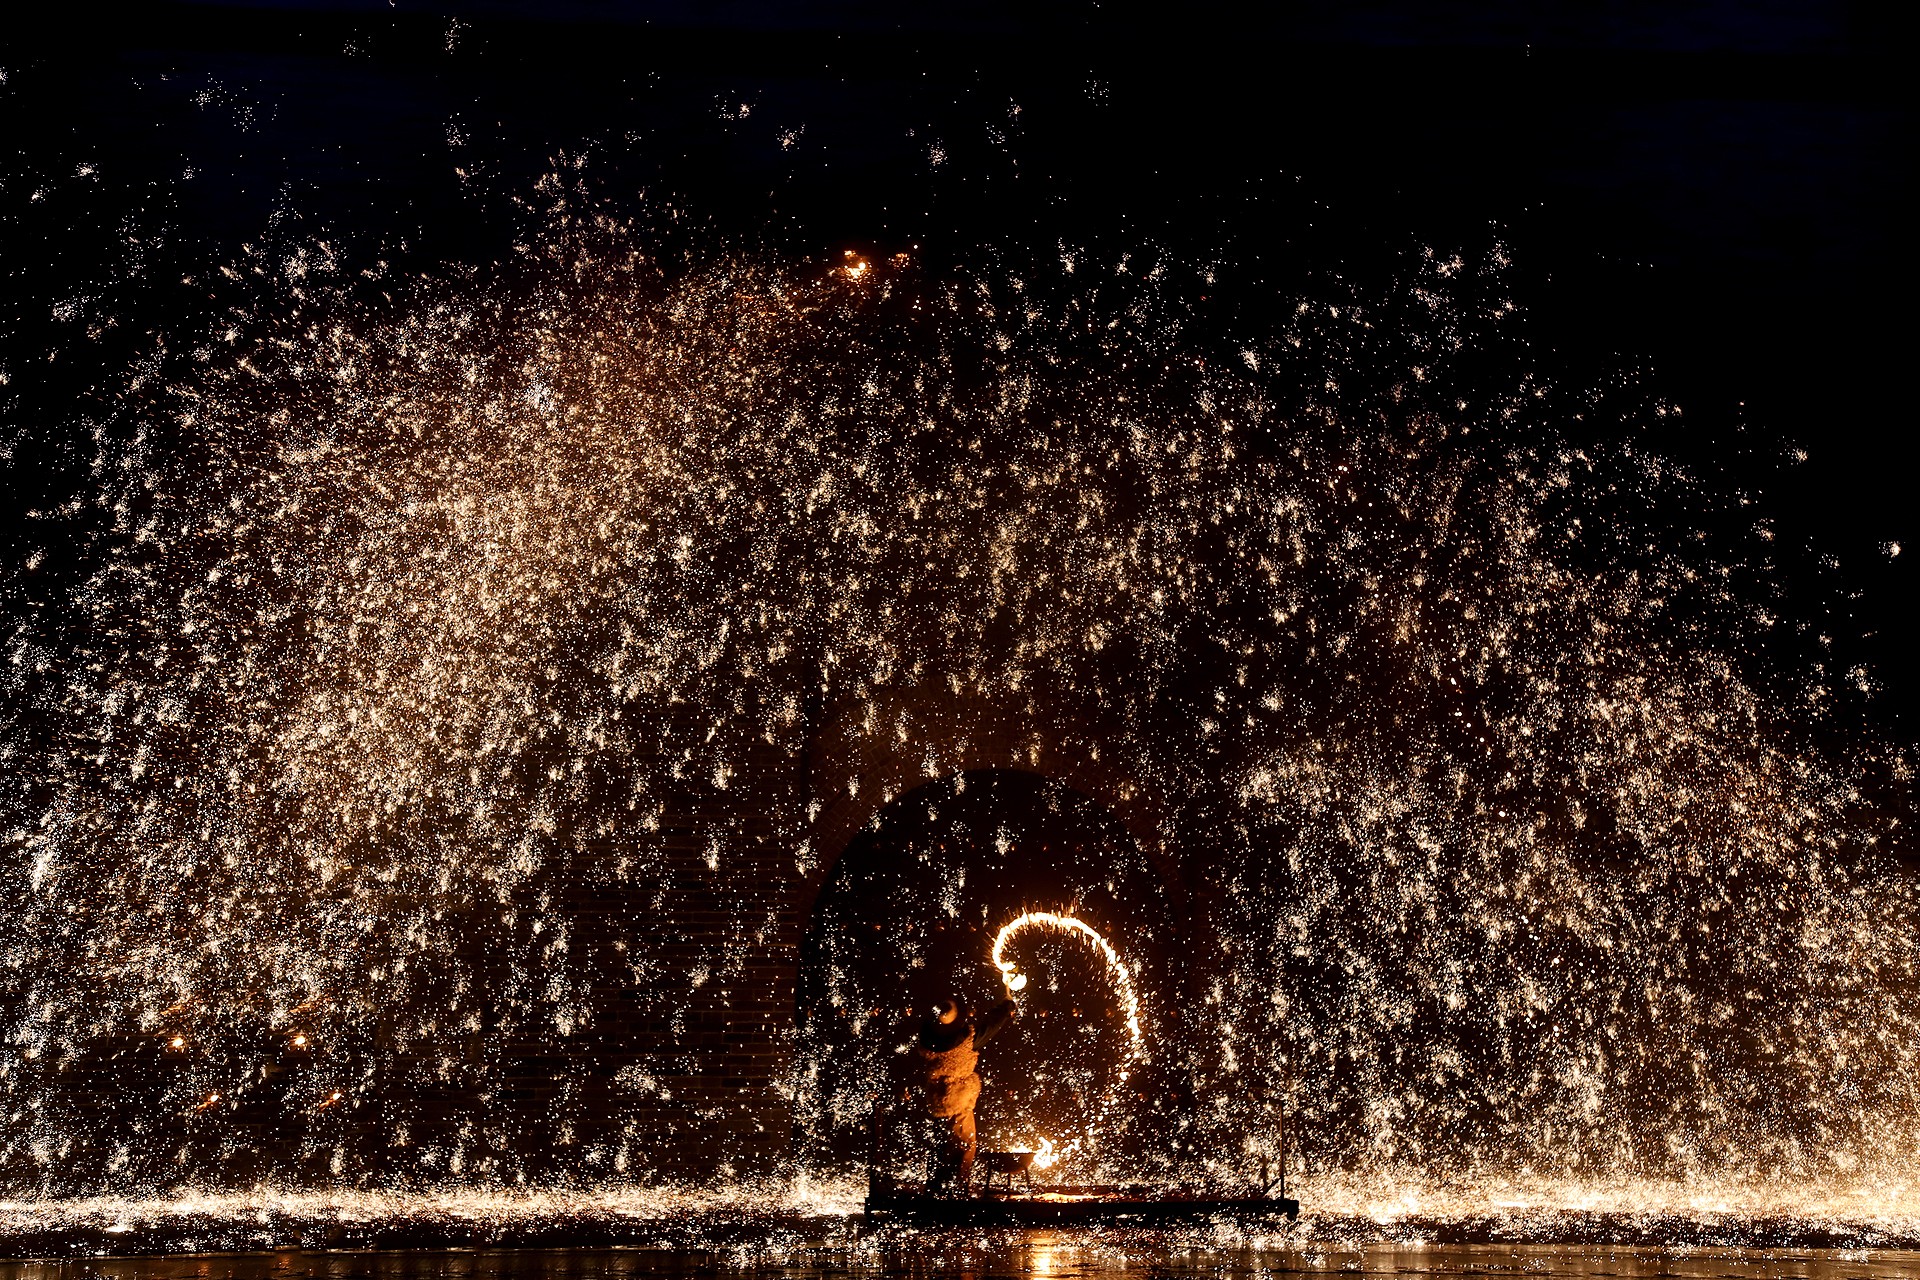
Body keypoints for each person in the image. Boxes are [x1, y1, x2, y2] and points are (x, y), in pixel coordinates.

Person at [905, 993, 1017, 1197]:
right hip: (958, 1102)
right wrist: (1006, 1007)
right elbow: (988, 1027)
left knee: (940, 1148)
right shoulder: (962, 1045)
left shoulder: (930, 1042)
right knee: (963, 1147)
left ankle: (937, 1190)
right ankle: (955, 1195)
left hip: (938, 1102)